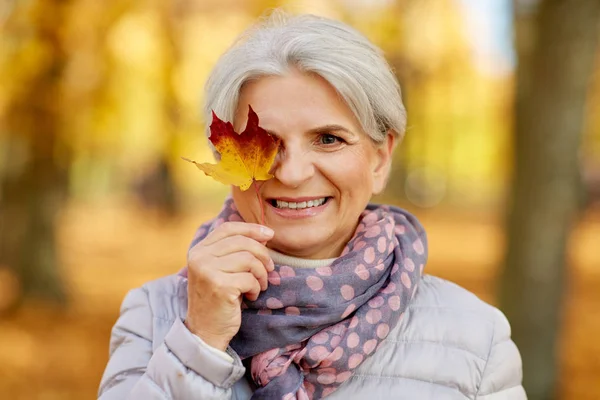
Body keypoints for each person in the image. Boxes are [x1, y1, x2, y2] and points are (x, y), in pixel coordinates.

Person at [98, 10, 526, 400]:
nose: (293, 173)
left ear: (380, 159)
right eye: (267, 144)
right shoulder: (154, 316)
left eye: (328, 139)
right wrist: (199, 345)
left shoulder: (475, 337)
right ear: (224, 156)